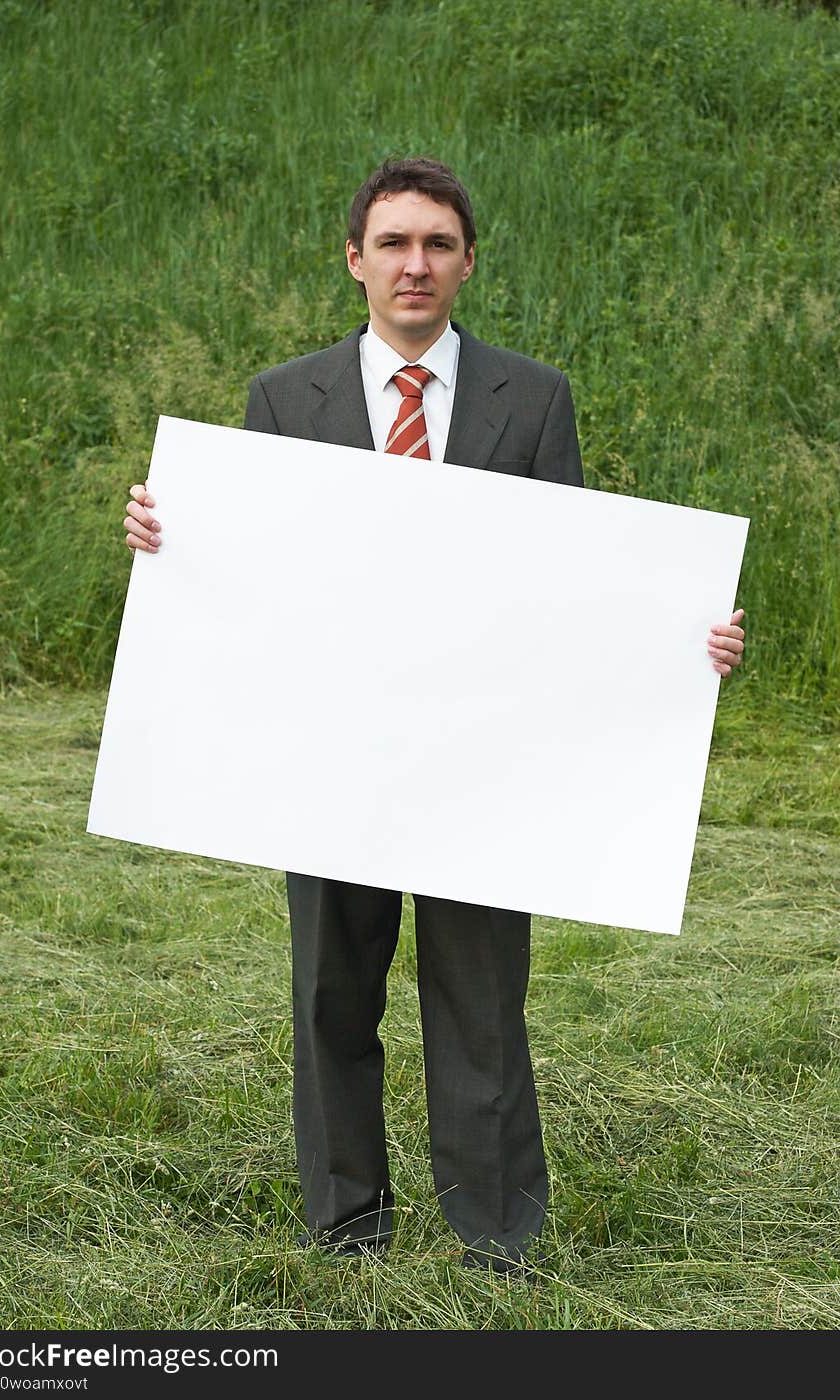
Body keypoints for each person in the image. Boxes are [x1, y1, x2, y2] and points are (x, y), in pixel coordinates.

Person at [122, 157, 745, 1272]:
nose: (416, 264)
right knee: (330, 993)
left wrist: (683, 644)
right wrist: (177, 544)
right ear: (354, 258)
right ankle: (346, 1223)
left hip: (479, 761)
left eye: (439, 244)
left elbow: (582, 581)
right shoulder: (285, 396)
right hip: (330, 755)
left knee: (480, 1003)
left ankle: (496, 1232)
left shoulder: (533, 396)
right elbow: (261, 566)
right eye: (395, 242)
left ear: (466, 261)